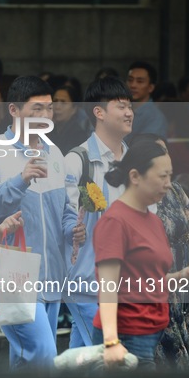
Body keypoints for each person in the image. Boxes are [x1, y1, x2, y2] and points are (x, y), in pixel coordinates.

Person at [0, 75, 82, 369]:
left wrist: (73, 229)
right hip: (12, 272)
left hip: (53, 271)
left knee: (27, 359)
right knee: (43, 354)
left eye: (49, 109)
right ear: (14, 111)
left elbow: (65, 209)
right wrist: (20, 180)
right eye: (37, 109)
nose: (45, 116)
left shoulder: (53, 153)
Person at [93, 141, 189, 369]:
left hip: (152, 331)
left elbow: (148, 281)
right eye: (162, 176)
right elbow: (107, 288)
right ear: (135, 176)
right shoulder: (116, 221)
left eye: (170, 176)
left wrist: (185, 273)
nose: (168, 184)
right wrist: (111, 341)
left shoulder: (153, 220)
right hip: (126, 336)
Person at [129, 134, 189, 369]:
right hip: (152, 286)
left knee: (183, 344)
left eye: (166, 153)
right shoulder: (130, 195)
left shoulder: (174, 190)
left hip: (181, 284)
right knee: (163, 351)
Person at [63, 77, 133, 348]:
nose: (129, 113)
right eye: (121, 106)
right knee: (105, 350)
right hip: (86, 281)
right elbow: (64, 217)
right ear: (99, 112)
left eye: (130, 107)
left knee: (84, 355)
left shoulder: (134, 162)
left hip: (123, 282)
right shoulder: (77, 161)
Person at [125, 61, 168, 140]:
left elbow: (146, 148)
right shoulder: (120, 110)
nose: (133, 85)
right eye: (130, 80)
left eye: (140, 81)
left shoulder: (155, 117)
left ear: (150, 87)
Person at [51, 84, 92, 155]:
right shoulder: (50, 131)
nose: (57, 107)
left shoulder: (78, 136)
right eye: (55, 101)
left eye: (63, 102)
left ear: (74, 108)